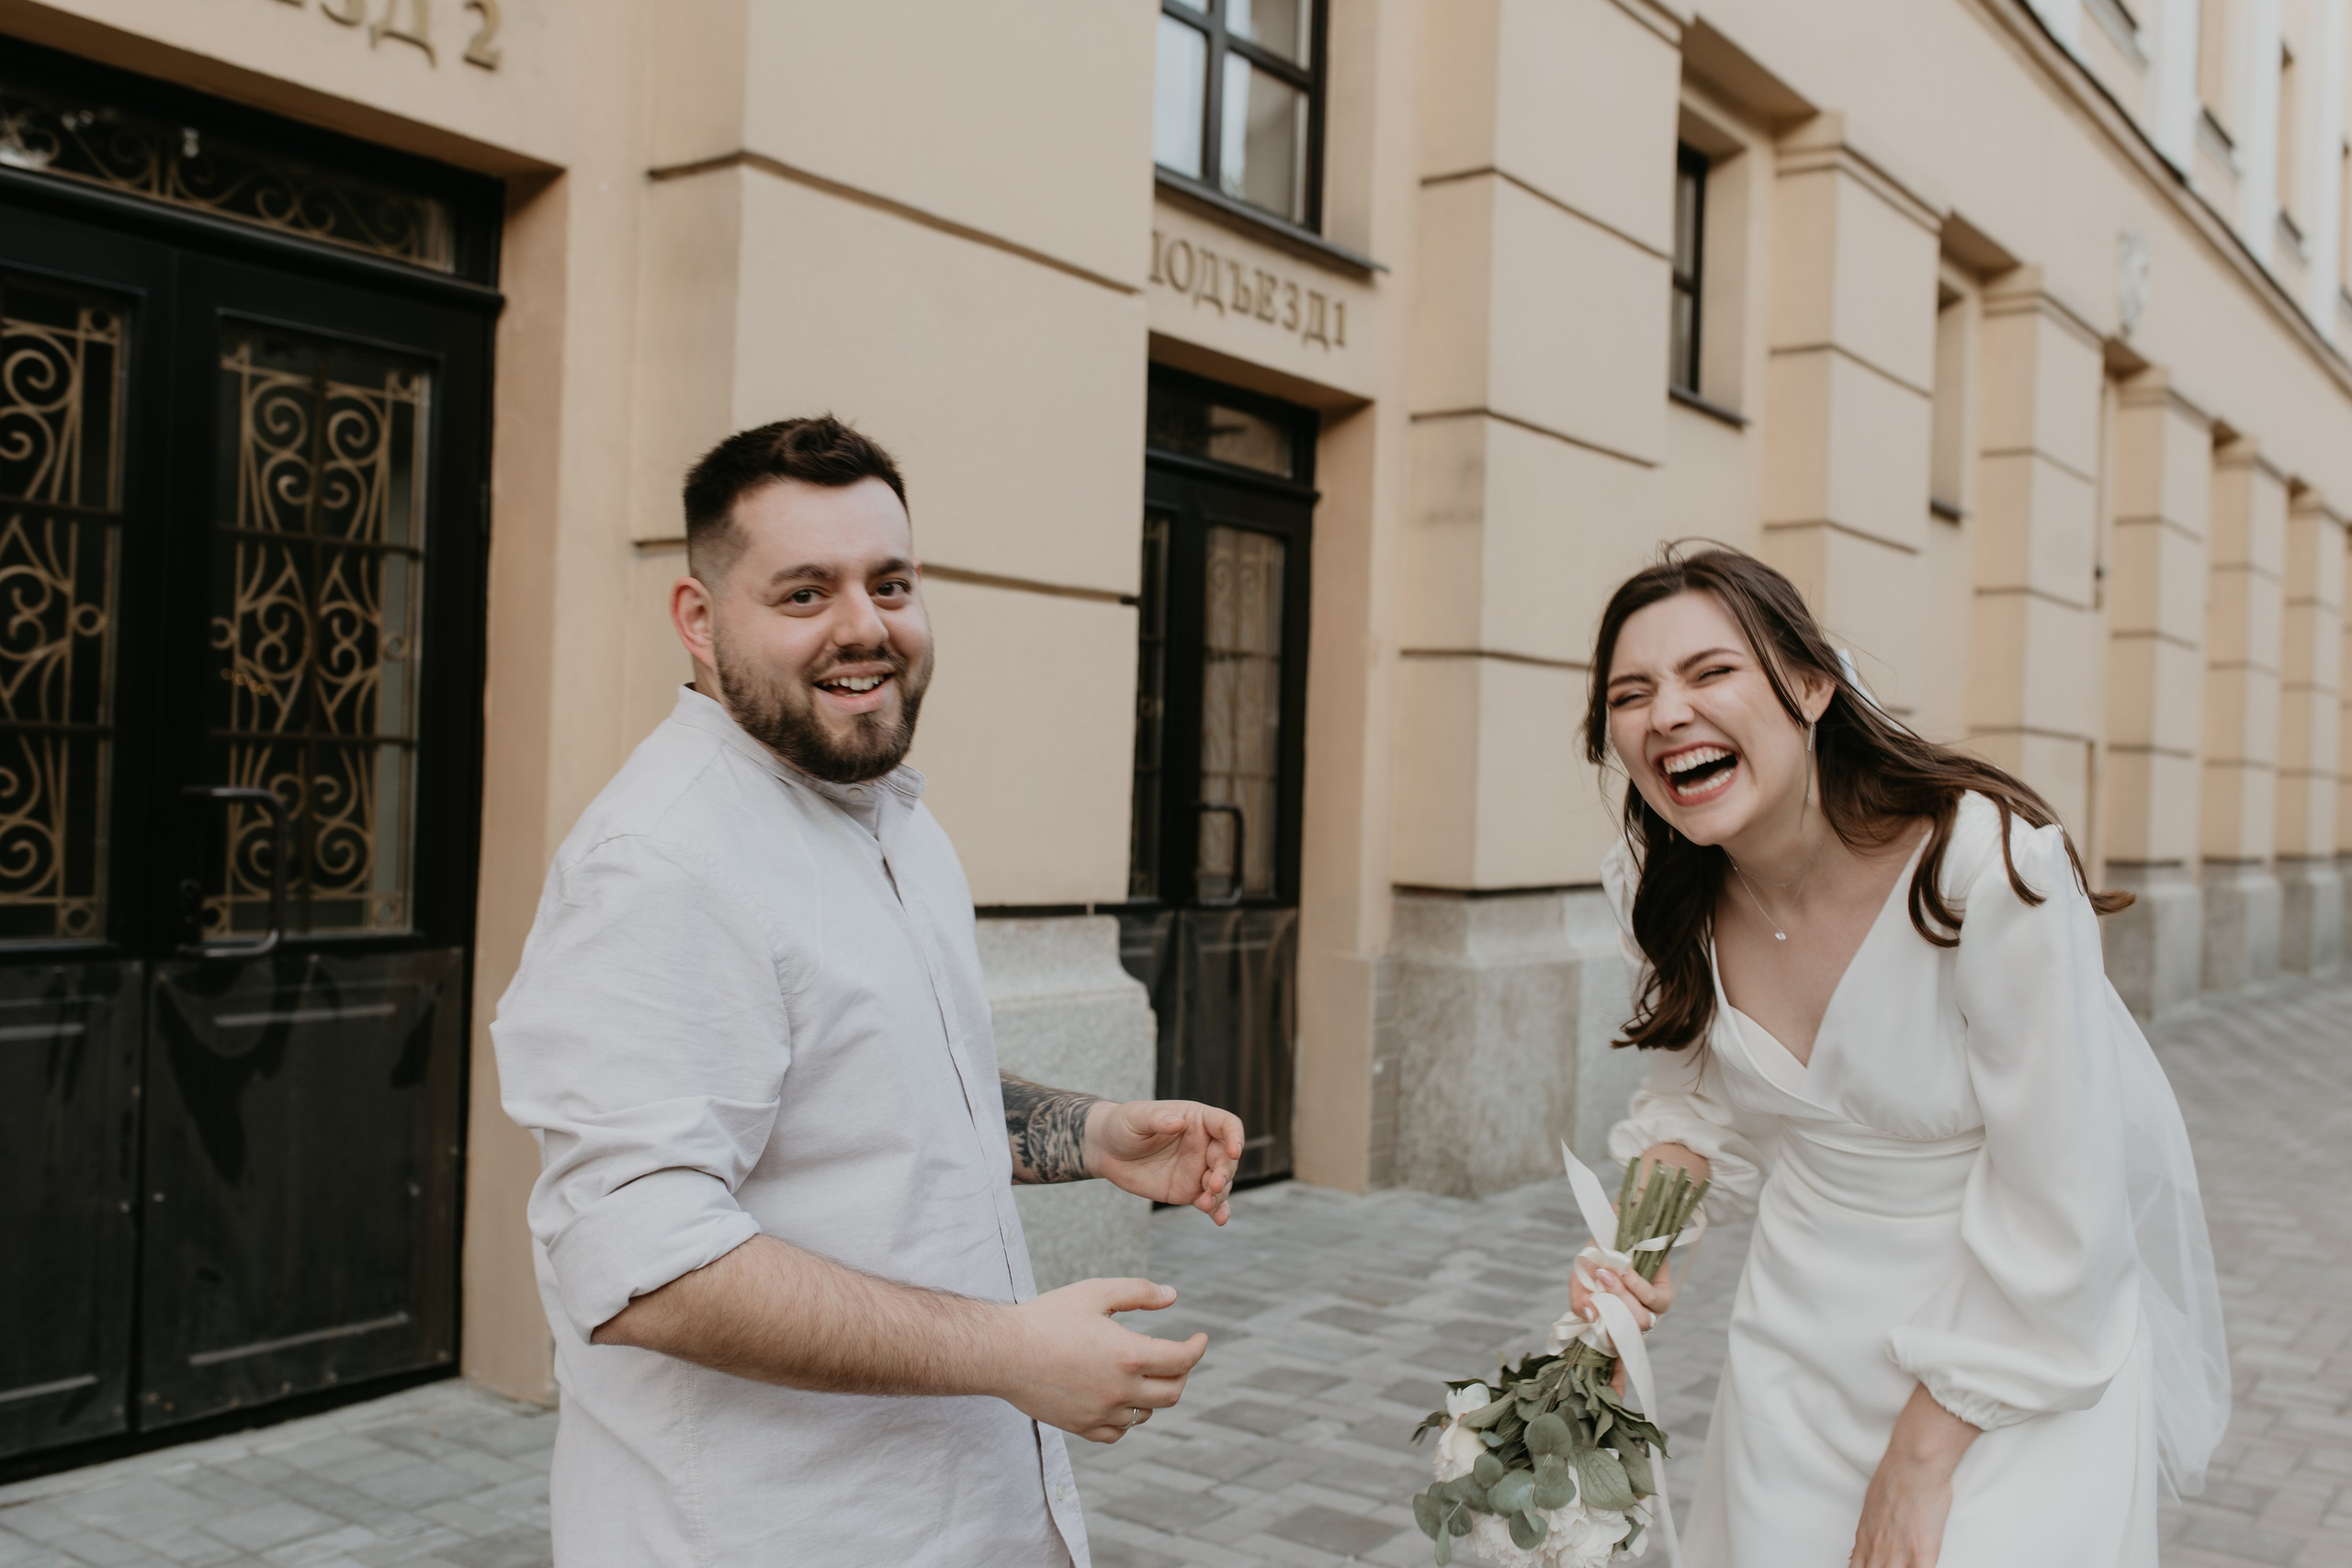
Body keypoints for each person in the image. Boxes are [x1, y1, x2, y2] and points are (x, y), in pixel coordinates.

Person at [492, 416, 1247, 1568]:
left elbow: (875, 1091)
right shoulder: (657, 863)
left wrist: (1090, 1134)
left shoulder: (888, 810)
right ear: (700, 623)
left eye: (889, 584)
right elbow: (644, 1266)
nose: (863, 627)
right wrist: (1008, 1352)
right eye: (804, 594)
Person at [1566, 547, 2227, 1567]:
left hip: (2013, 1350)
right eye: (1631, 692)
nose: (1666, 715)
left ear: (1812, 686)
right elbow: (1692, 1115)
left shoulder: (1984, 869)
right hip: (1795, 1361)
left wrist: (1920, 1460)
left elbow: (2067, 1201)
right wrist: (1623, 1299)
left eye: (1710, 673)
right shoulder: (1664, 892)